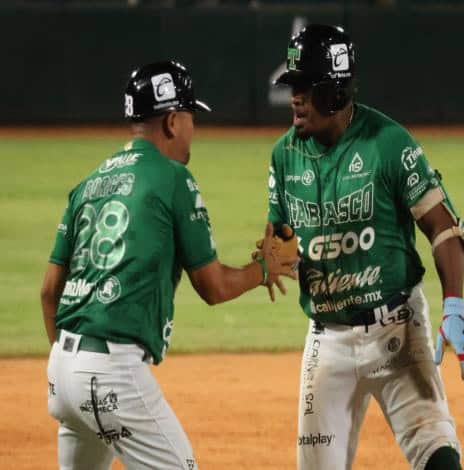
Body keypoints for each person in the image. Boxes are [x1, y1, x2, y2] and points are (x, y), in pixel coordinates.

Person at [40, 60, 298, 470]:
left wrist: (68, 365)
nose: (194, 128)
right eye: (191, 117)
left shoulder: (88, 184)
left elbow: (48, 291)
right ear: (173, 121)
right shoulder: (173, 178)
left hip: (61, 370)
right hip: (111, 373)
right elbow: (213, 287)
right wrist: (265, 268)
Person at [265, 24, 464, 470]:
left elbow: (444, 228)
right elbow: (280, 236)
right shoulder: (284, 155)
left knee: (435, 448)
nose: (295, 98)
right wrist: (274, 255)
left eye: (305, 87)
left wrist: (454, 306)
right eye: (293, 87)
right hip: (327, 339)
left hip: (396, 330)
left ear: (335, 92)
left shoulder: (388, 143)